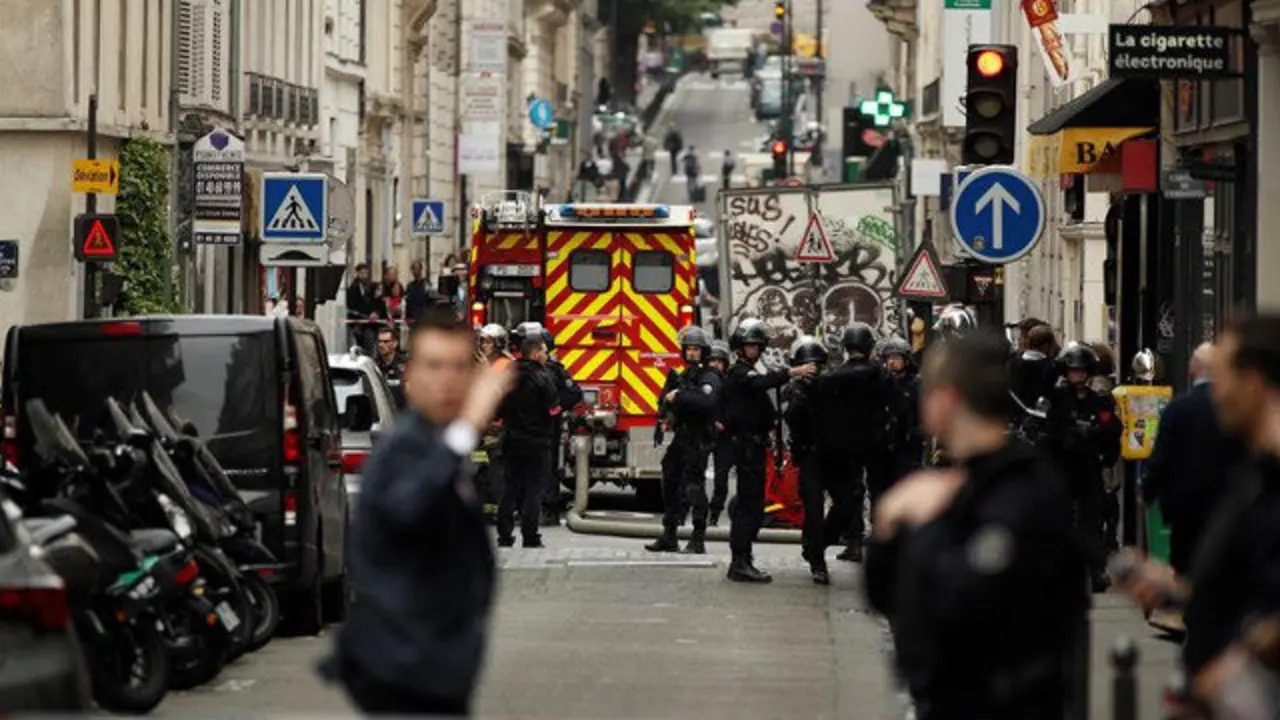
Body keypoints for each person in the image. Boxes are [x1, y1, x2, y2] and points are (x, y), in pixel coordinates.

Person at [863, 330, 1089, 720]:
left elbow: (961, 598)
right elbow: (886, 596)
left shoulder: (1020, 488)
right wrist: (887, 528)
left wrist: (924, 528)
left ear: (947, 400)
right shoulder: (962, 482)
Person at [320, 306, 513, 716]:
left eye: (458, 367)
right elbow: (409, 507)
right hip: (404, 669)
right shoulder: (405, 448)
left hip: (436, 668)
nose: (447, 379)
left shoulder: (435, 442)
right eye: (434, 365)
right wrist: (466, 430)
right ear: (411, 377)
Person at [1119, 316, 1280, 705]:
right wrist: (1178, 594)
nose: (1216, 393)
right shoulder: (1253, 476)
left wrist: (1241, 663)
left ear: (1254, 382)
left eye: (1222, 378)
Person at [723, 320, 815, 582]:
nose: (754, 349)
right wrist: (792, 372)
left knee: (753, 505)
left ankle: (743, 558)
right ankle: (740, 561)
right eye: (750, 345)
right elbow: (760, 383)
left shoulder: (747, 371)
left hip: (754, 446)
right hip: (747, 447)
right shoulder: (739, 372)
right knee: (749, 506)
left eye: (756, 345)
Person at [1142, 342, 1241, 576]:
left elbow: (1162, 457)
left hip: (1186, 508)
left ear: (1193, 369)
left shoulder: (1178, 410)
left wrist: (1147, 491)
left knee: (1185, 566)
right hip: (1227, 505)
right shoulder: (1234, 410)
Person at [1047, 343, 1123, 591]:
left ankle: (1096, 569)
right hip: (1063, 466)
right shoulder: (1057, 399)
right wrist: (1065, 435)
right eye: (1072, 371)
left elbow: (1112, 427)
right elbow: (1047, 429)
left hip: (1089, 466)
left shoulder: (1099, 400)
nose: (1077, 376)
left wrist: (1097, 433)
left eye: (1081, 371)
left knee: (1093, 518)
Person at [815, 322, 890, 562]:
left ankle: (853, 541)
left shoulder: (833, 378)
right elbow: (897, 407)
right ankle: (879, 539)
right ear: (869, 346)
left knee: (852, 494)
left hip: (844, 445)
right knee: (878, 492)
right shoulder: (881, 374)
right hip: (877, 443)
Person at [646, 326, 721, 554]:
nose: (691, 353)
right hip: (683, 435)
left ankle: (698, 539)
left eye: (696, 349)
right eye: (688, 349)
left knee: (693, 486)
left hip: (699, 437)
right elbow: (673, 402)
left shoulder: (709, 376)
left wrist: (679, 396)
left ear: (704, 351)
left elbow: (706, 402)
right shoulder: (686, 375)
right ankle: (670, 534)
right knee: (669, 475)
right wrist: (668, 414)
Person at [495, 330, 560, 548]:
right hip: (537, 442)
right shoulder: (542, 377)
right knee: (534, 490)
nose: (547, 354)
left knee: (510, 487)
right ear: (534, 353)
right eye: (544, 351)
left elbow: (497, 409)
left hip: (512, 440)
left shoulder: (509, 375)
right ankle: (530, 536)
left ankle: (504, 534)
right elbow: (554, 409)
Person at [782, 335, 830, 584]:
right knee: (813, 508)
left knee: (848, 504)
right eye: (807, 366)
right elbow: (789, 417)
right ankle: (817, 560)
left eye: (816, 366)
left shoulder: (831, 386)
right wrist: (801, 395)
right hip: (809, 455)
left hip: (834, 455)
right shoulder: (793, 390)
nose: (813, 371)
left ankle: (815, 545)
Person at [866, 336, 923, 516]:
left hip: (907, 445)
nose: (892, 362)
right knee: (879, 487)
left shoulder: (915, 384)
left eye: (896, 358)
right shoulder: (878, 383)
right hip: (882, 445)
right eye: (889, 358)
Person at [540, 327, 583, 527]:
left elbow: (574, 394)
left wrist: (555, 407)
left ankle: (548, 510)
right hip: (538, 428)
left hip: (545, 428)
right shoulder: (532, 369)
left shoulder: (553, 371)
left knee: (546, 468)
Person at [707, 341, 734, 527]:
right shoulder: (702, 381)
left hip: (724, 438)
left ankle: (714, 514)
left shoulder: (730, 384)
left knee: (721, 480)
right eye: (712, 361)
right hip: (705, 434)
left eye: (719, 361)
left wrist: (724, 422)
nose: (716, 365)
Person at [1009, 324, 1058, 416]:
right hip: (1039, 417)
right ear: (1046, 346)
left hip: (1015, 416)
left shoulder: (1013, 364)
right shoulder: (1049, 368)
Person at [346, 263, 380, 352]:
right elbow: (352, 305)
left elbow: (375, 302)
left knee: (370, 344)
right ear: (357, 273)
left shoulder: (371, 287)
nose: (364, 275)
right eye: (362, 273)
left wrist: (375, 312)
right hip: (359, 322)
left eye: (366, 273)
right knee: (361, 345)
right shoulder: (353, 287)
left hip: (370, 324)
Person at [404, 259, 443, 325]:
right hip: (413, 318)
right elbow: (408, 302)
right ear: (412, 271)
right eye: (414, 269)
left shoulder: (427, 284)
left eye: (417, 268)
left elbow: (431, 301)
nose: (416, 271)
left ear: (421, 269)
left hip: (425, 318)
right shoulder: (409, 286)